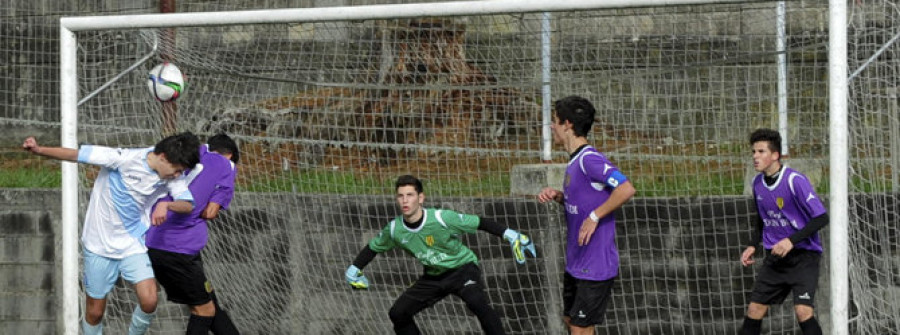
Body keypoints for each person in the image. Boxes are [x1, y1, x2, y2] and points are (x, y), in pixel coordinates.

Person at [23, 132, 201, 335]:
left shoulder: (170, 176)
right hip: (98, 245)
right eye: (176, 170)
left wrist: (167, 205)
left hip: (132, 243)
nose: (177, 175)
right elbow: (75, 155)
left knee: (150, 299)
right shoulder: (122, 158)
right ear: (162, 157)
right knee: (95, 312)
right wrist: (39, 150)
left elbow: (187, 204)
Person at [344, 174, 537, 335]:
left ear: (421, 198)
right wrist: (354, 268)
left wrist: (511, 235)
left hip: (462, 269)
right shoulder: (395, 229)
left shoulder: (441, 218)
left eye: (410, 195)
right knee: (398, 312)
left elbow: (479, 222)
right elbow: (373, 247)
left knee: (476, 302)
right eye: (400, 196)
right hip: (433, 276)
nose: (405, 200)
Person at [536, 95, 636, 335]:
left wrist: (594, 216)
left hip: (596, 265)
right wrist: (560, 197)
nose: (552, 126)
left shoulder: (589, 159)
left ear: (568, 124)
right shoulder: (575, 162)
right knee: (571, 322)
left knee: (581, 329)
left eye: (556, 121)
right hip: (576, 263)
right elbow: (585, 200)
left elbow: (626, 189)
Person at [146, 133, 241, 335]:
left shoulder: (190, 151)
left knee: (209, 302)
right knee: (204, 311)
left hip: (152, 240)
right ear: (230, 154)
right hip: (179, 249)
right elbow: (210, 212)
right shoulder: (227, 165)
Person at [739, 128, 828, 335]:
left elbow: (822, 217)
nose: (755, 156)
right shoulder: (757, 183)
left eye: (761, 151)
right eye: (753, 151)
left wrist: (791, 240)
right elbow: (762, 219)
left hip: (803, 257)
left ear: (775, 155)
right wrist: (753, 244)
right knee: (754, 309)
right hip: (776, 258)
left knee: (803, 311)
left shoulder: (794, 180)